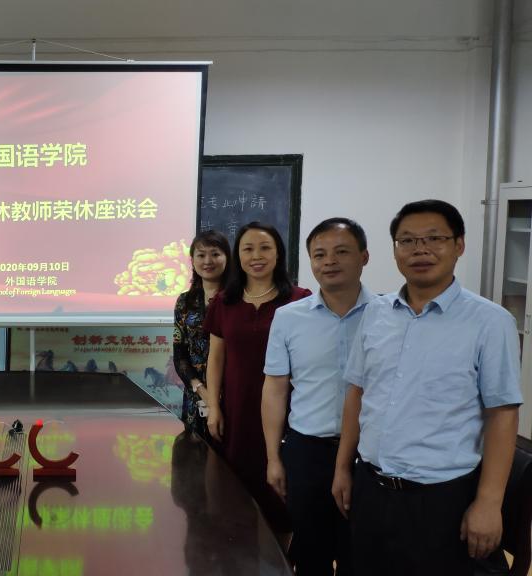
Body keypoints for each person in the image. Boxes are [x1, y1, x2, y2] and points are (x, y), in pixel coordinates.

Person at [332, 200, 522, 576]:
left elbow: (502, 413)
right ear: (395, 250)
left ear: (459, 245)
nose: (420, 250)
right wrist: (342, 468)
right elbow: (357, 393)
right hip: (370, 488)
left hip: (442, 499)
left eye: (434, 238)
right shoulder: (375, 313)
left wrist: (488, 502)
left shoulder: (489, 321)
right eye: (407, 241)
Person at [261, 218, 373, 575]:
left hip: (370, 456)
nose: (329, 261)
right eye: (319, 254)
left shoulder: (388, 315)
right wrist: (273, 457)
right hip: (307, 452)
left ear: (364, 257)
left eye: (341, 252)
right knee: (310, 554)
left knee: (362, 554)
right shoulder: (288, 318)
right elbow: (275, 389)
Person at [203, 221, 310, 533]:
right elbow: (216, 357)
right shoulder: (225, 301)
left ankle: (283, 553)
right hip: (237, 411)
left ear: (278, 253)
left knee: (283, 493)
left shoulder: (300, 300)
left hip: (286, 412)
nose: (256, 256)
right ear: (238, 255)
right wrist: (214, 407)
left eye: (265, 248)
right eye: (248, 249)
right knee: (238, 495)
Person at [173, 230, 231, 435]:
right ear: (192, 260)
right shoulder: (185, 302)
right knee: (195, 452)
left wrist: (215, 400)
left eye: (215, 254)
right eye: (201, 255)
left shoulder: (238, 299)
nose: (208, 261)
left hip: (232, 396)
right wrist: (202, 391)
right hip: (195, 397)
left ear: (227, 258)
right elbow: (179, 355)